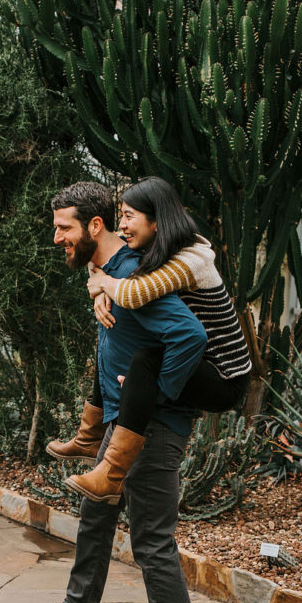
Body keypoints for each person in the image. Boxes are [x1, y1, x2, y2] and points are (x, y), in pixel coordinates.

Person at [25, 180, 209, 603]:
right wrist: (94, 282)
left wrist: (161, 395)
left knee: (152, 541)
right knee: (96, 512)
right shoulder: (109, 272)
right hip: (121, 424)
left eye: (64, 228)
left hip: (152, 427)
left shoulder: (132, 275)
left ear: (96, 226)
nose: (58, 237)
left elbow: (190, 336)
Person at [50, 176, 252, 503]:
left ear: (156, 221)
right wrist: (98, 279)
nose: (123, 225)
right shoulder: (157, 248)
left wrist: (103, 285)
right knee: (116, 346)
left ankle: (112, 472)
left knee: (143, 361)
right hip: (201, 363)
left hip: (224, 374)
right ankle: (89, 435)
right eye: (122, 216)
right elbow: (107, 259)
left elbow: (134, 292)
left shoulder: (191, 259)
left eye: (129, 216)